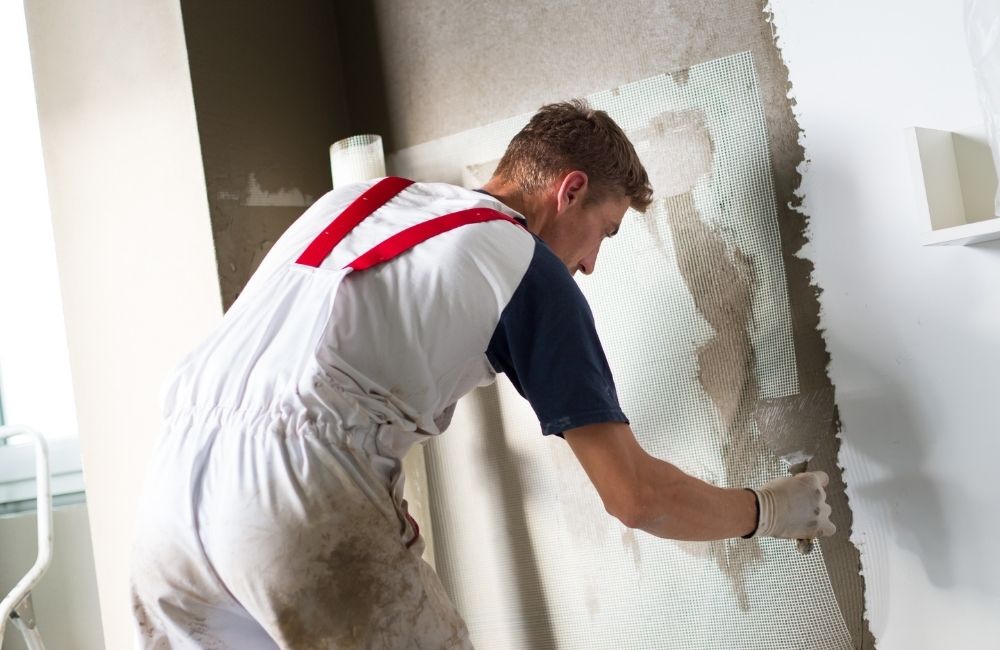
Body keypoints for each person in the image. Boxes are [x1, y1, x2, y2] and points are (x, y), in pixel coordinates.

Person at [130, 100, 835, 649]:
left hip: (166, 497)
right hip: (292, 498)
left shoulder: (356, 204)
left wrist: (356, 486)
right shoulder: (523, 266)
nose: (590, 264)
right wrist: (766, 512)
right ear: (570, 190)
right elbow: (634, 496)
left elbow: (314, 375)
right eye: (606, 232)